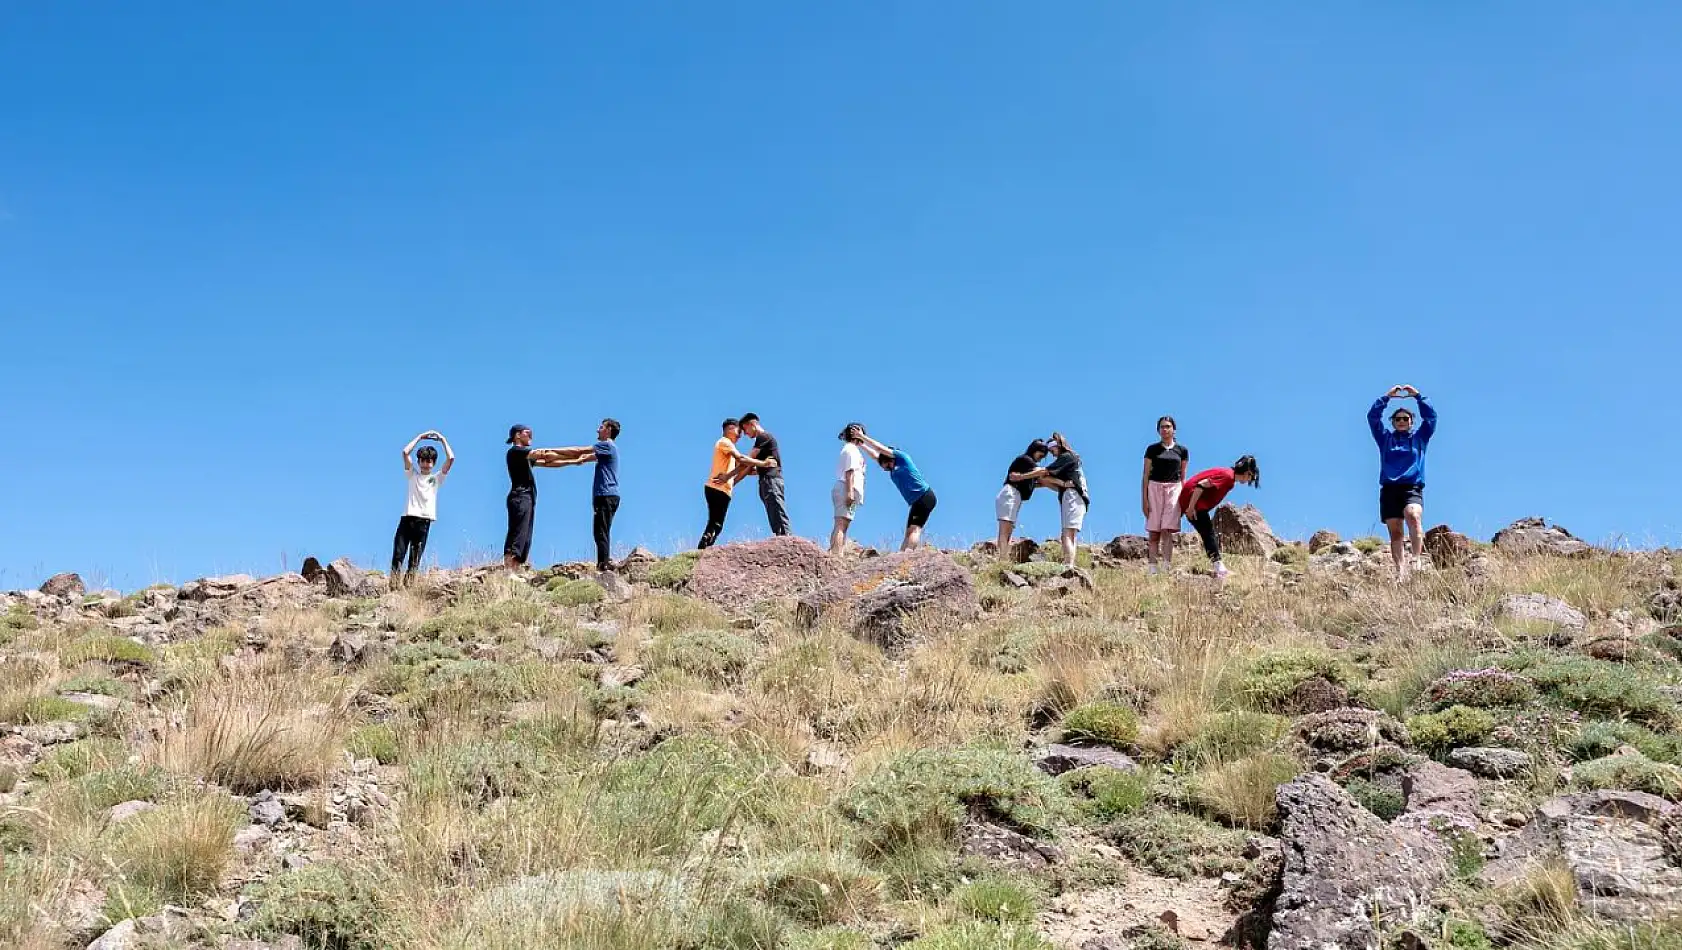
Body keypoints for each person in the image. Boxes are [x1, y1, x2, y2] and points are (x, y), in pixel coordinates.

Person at [503, 424, 596, 572]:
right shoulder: (515, 452)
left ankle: (515, 569)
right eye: (528, 433)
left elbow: (548, 462)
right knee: (517, 532)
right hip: (520, 496)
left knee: (525, 534)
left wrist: (574, 461)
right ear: (517, 435)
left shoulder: (525, 457)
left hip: (527, 497)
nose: (531, 436)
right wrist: (584, 451)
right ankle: (509, 570)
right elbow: (545, 454)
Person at [1369, 385, 1438, 579]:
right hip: (1389, 489)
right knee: (1396, 532)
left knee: (1413, 515)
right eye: (1397, 419)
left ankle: (1416, 559)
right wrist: (1386, 398)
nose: (1401, 421)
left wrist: (1417, 396)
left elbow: (1431, 418)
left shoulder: (1419, 438)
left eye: (1405, 419)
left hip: (1411, 486)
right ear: (1393, 422)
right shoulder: (1385, 439)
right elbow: (1373, 418)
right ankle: (1400, 571)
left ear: (1411, 421)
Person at [851, 431, 937, 551]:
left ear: (889, 460)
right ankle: (900, 557)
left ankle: (908, 556)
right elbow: (875, 456)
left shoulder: (902, 458)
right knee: (908, 533)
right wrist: (861, 444)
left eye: (884, 465)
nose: (884, 469)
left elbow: (879, 448)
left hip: (925, 496)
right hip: (916, 501)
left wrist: (862, 436)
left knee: (914, 529)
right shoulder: (892, 468)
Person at [1180, 455, 1262, 580]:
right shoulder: (1228, 477)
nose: (1249, 481)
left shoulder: (1229, 477)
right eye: (1251, 477)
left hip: (1194, 502)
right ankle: (1220, 569)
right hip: (1194, 503)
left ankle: (1219, 567)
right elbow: (1200, 485)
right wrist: (1191, 507)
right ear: (1247, 473)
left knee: (1207, 533)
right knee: (1208, 534)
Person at [392, 430, 454, 587]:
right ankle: (393, 585)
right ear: (419, 462)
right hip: (407, 518)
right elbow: (405, 452)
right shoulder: (412, 475)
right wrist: (420, 437)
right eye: (423, 460)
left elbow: (451, 458)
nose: (426, 464)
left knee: (415, 558)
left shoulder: (436, 478)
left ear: (433, 463)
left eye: (429, 461)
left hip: (424, 521)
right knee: (398, 554)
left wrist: (442, 440)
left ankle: (408, 587)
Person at [700, 418, 773, 549]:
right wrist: (763, 463)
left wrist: (761, 470)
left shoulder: (727, 448)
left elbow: (742, 467)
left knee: (715, 523)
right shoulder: (725, 442)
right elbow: (741, 459)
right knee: (716, 523)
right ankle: (702, 549)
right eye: (739, 431)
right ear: (729, 429)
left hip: (721, 489)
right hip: (718, 488)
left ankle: (704, 547)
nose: (740, 435)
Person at [1142, 417, 1189, 575]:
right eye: (1162, 427)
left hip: (1174, 489)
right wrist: (1144, 499)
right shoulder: (1152, 449)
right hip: (1154, 488)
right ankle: (1152, 567)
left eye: (1168, 427)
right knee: (1154, 531)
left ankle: (1167, 566)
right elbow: (1145, 475)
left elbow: (1183, 476)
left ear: (1173, 429)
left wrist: (1184, 499)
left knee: (1167, 529)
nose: (1164, 430)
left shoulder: (1181, 451)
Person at [733, 413, 790, 537]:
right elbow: (751, 468)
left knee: (777, 511)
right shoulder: (762, 443)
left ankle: (787, 539)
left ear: (752, 424)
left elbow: (747, 461)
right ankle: (781, 538)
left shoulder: (763, 437)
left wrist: (731, 480)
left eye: (745, 429)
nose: (746, 434)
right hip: (766, 480)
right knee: (773, 513)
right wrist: (734, 481)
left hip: (771, 480)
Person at [995, 439, 1052, 559]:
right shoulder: (1026, 460)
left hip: (1015, 496)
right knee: (1005, 530)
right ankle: (1002, 558)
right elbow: (1042, 472)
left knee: (1008, 530)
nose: (1041, 458)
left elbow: (1033, 482)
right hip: (1010, 494)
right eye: (1041, 455)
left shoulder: (1028, 465)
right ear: (1035, 450)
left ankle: (1004, 557)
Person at [1040, 432, 1090, 567]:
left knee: (1066, 534)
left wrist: (1027, 476)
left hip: (1072, 496)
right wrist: (1060, 484)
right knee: (1071, 534)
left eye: (1052, 450)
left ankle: (1068, 565)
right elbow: (1047, 480)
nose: (1052, 454)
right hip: (1078, 497)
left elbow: (1044, 473)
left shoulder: (1065, 457)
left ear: (1058, 446)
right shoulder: (1071, 460)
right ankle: (1070, 563)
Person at [830, 424, 869, 555]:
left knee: (844, 524)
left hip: (848, 488)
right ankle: (836, 555)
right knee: (841, 523)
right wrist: (849, 492)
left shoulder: (853, 449)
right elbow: (849, 471)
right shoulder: (851, 449)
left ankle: (838, 553)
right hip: (846, 488)